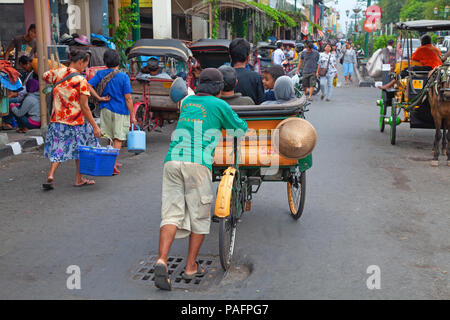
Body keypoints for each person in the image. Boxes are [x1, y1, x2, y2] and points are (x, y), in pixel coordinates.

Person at [154, 68, 248, 290]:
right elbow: (240, 129)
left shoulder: (187, 103)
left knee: (170, 213)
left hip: (172, 161)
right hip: (198, 164)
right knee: (199, 216)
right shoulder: (220, 105)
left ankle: (161, 260)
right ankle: (190, 267)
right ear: (219, 88)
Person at [42, 49, 109, 190]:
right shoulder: (81, 80)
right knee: (81, 150)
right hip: (76, 122)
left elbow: (44, 76)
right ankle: (78, 179)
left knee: (59, 149)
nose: (85, 67)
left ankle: (51, 175)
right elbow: (85, 107)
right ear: (80, 62)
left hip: (58, 120)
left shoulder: (58, 72)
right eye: (85, 64)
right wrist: (95, 127)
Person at [88, 49, 137, 175]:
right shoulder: (123, 77)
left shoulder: (100, 74)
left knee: (109, 136)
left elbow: (87, 85)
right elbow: (128, 98)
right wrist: (132, 115)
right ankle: (112, 163)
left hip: (105, 109)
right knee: (118, 138)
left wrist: (98, 98)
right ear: (118, 62)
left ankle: (112, 160)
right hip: (120, 110)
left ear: (105, 61)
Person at [230, 38, 265, 105]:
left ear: (230, 57)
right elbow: (261, 103)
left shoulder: (223, 76)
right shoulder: (256, 77)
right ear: (248, 58)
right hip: (251, 115)